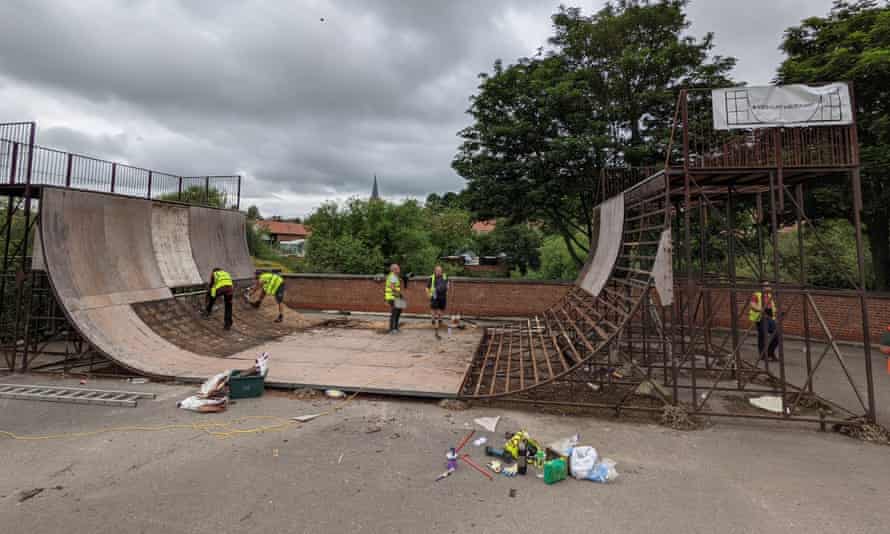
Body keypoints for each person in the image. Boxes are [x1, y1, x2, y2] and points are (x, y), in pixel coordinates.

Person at [749, 281, 779, 361]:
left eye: (769, 285)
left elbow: (772, 307)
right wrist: (761, 309)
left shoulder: (769, 296)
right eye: (767, 286)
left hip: (770, 318)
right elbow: (752, 305)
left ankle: (770, 352)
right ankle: (763, 355)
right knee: (763, 336)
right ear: (762, 287)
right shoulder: (756, 295)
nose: (769, 287)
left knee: (777, 335)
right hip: (761, 318)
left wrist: (776, 314)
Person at [428, 265, 449, 339]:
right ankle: (433, 320)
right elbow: (427, 287)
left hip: (442, 295)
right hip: (434, 295)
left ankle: (440, 320)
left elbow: (447, 284)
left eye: (440, 270)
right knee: (434, 308)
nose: (439, 272)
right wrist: (429, 294)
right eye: (437, 270)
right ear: (435, 271)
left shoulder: (445, 276)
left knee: (441, 308)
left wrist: (447, 291)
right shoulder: (432, 277)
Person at [384, 263, 402, 334]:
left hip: (395, 296)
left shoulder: (394, 276)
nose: (399, 270)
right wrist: (398, 294)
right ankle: (392, 329)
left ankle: (396, 328)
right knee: (395, 313)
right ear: (394, 269)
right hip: (393, 297)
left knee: (398, 312)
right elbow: (392, 287)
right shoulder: (393, 276)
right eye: (398, 268)